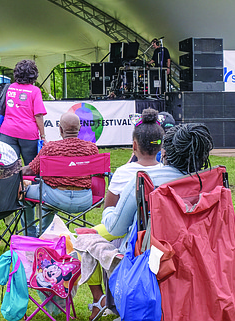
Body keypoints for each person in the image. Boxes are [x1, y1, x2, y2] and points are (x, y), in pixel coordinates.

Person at [82, 122, 213, 321]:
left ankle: (105, 301)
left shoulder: (145, 180)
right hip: (198, 257)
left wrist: (108, 209)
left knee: (93, 240)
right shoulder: (211, 182)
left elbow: (115, 228)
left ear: (165, 152)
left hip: (151, 260)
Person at [21, 112, 99, 235]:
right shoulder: (92, 148)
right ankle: (44, 232)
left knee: (24, 193)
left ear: (60, 129)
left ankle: (32, 235)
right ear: (79, 128)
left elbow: (31, 170)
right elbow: (98, 173)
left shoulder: (50, 148)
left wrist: (14, 170)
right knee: (47, 192)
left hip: (54, 198)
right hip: (84, 200)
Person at [103, 108, 164, 209]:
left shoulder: (122, 173)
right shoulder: (170, 174)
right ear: (160, 146)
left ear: (134, 145)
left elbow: (108, 211)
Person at [0, 60, 47, 166]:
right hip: (28, 133)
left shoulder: (9, 87)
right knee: (31, 167)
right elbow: (38, 115)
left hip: (8, 131)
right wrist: (43, 135)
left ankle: (13, 183)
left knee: (9, 166)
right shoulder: (35, 91)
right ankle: (29, 183)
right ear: (33, 75)